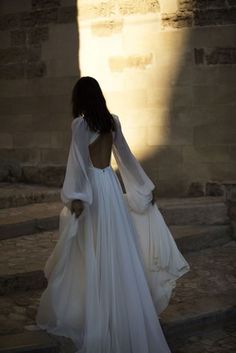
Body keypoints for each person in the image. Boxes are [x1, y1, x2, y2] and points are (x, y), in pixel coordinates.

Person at [35, 76, 190, 353]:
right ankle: (115, 305)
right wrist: (143, 187)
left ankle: (100, 311)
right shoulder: (112, 121)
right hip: (110, 186)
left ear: (79, 98)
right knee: (116, 247)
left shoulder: (81, 124)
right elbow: (127, 158)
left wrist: (76, 197)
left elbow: (78, 164)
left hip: (93, 189)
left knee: (92, 248)